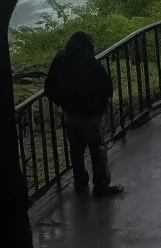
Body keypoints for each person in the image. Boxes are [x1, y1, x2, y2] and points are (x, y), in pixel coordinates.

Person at [43, 32, 123, 197]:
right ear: (87, 48)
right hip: (91, 115)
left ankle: (80, 183)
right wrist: (100, 107)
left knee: (76, 150)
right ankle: (100, 185)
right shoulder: (90, 63)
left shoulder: (60, 60)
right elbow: (106, 87)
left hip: (70, 114)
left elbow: (49, 88)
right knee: (97, 150)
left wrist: (64, 103)